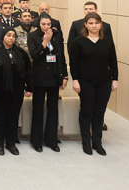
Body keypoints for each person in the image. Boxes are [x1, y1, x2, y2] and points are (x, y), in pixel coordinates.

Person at [69, 12, 118, 156]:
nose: (94, 25)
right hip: (85, 82)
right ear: (85, 25)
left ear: (101, 24)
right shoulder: (79, 41)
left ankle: (97, 142)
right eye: (90, 23)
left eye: (96, 23)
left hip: (104, 82)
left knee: (99, 112)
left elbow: (113, 61)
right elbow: (73, 63)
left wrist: (115, 79)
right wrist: (75, 80)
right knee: (86, 111)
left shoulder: (107, 41)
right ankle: (86, 142)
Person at [0, 27, 33, 156]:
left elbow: (28, 71)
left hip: (16, 92)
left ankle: (11, 144)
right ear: (3, 37)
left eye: (13, 36)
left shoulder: (21, 53)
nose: (11, 38)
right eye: (8, 35)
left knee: (13, 118)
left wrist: (29, 87)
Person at [27, 13, 67, 153]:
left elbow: (61, 56)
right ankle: (36, 141)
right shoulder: (32, 36)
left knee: (53, 109)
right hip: (39, 77)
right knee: (38, 110)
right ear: (39, 24)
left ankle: (52, 140)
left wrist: (64, 76)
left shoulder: (56, 35)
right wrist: (44, 42)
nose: (46, 27)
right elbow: (34, 56)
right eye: (43, 24)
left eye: (48, 24)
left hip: (54, 77)